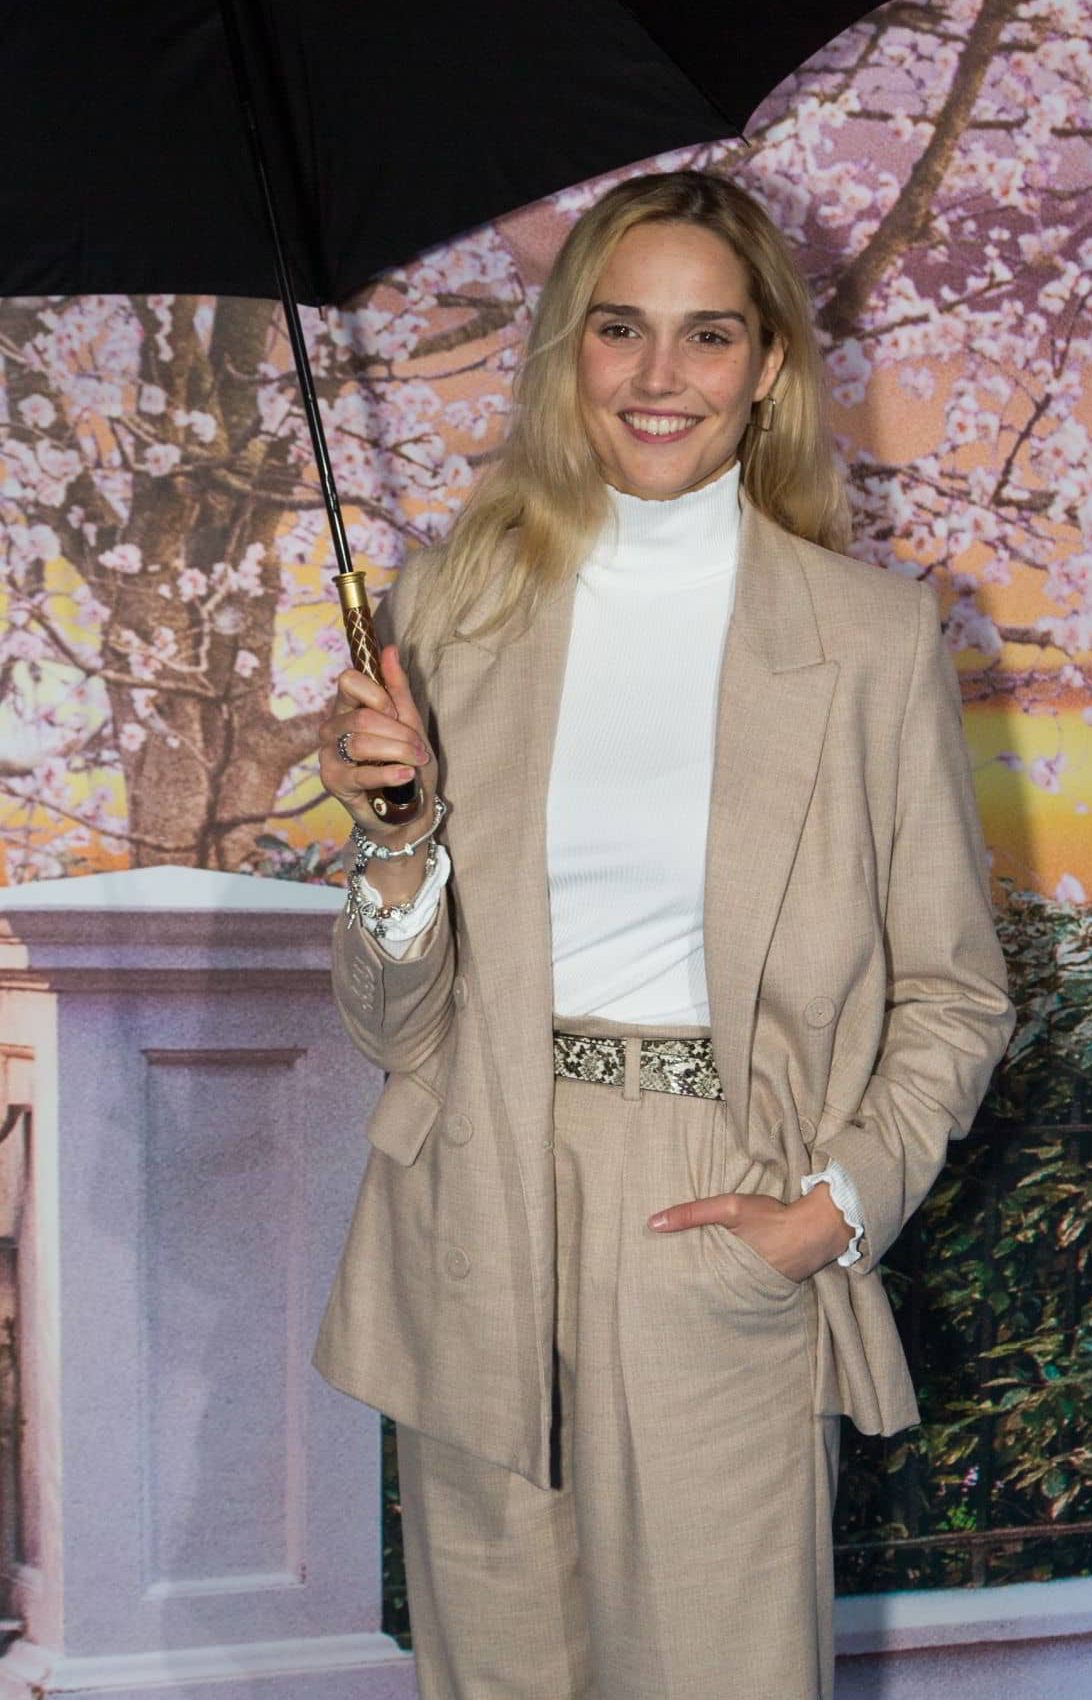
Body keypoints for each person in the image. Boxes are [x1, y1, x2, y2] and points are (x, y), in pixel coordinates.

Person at [313, 170, 1013, 1700]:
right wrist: (394, 835)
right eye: (621, 328)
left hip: (717, 1206)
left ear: (767, 368)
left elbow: (956, 993)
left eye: (707, 337)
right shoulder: (448, 612)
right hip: (476, 1209)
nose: (656, 377)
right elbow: (389, 1025)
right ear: (571, 348)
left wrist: (832, 1207)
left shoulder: (872, 639)